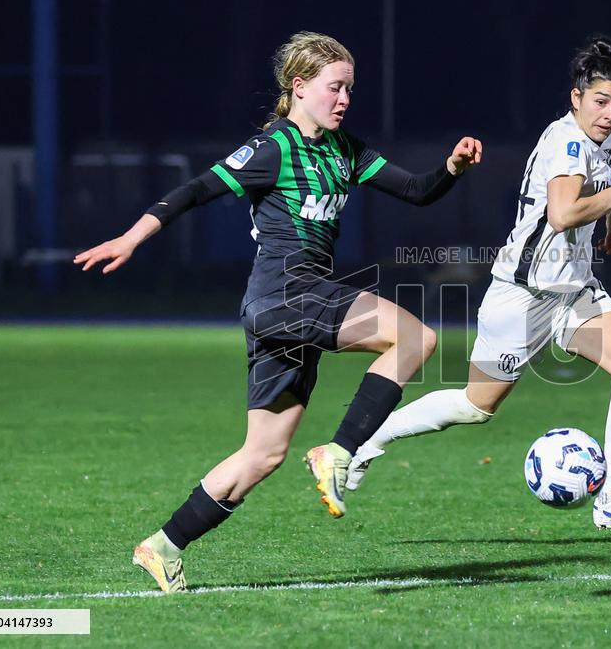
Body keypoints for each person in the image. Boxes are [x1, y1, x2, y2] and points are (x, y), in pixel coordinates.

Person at [74, 31, 482, 593]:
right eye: (335, 88)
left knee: (262, 454)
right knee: (414, 338)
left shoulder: (347, 150)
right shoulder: (272, 148)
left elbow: (415, 190)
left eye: (350, 89)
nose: (344, 99)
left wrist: (453, 168)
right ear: (299, 86)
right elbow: (194, 191)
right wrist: (131, 237)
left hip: (289, 308)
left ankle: (163, 545)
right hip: (287, 293)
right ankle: (339, 450)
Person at [346, 35, 611, 531]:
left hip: (572, 292)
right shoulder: (569, 140)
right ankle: (367, 442)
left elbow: (588, 188)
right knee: (477, 406)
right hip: (523, 297)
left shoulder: (595, 137)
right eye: (601, 102)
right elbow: (560, 214)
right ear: (575, 98)